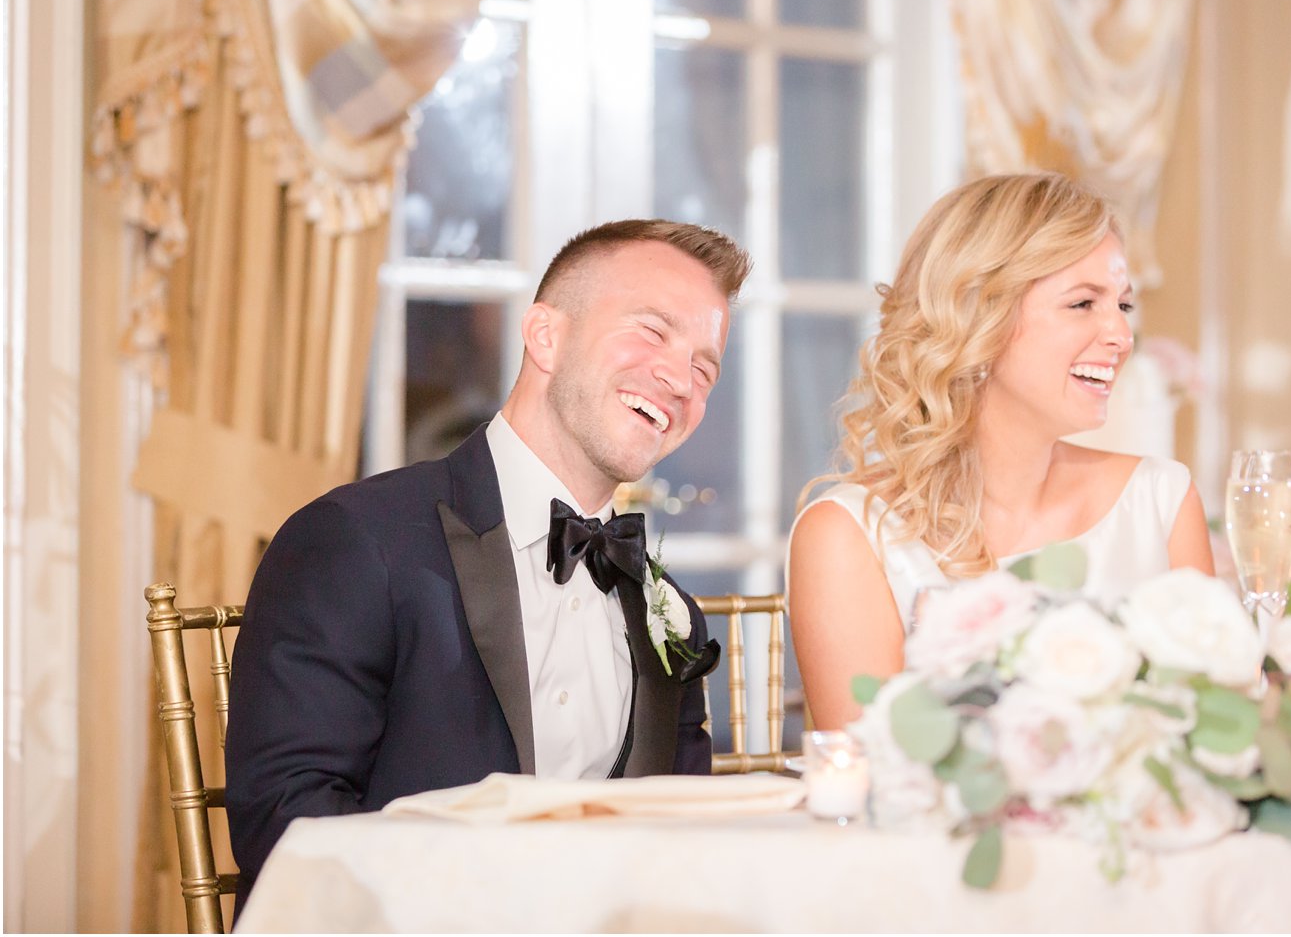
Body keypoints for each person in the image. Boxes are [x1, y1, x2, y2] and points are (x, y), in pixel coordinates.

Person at [226, 219, 751, 905]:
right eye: (652, 332)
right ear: (546, 337)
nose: (680, 379)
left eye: (704, 367)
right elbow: (287, 831)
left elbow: (681, 855)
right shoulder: (356, 542)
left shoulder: (672, 615)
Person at [788, 173, 1213, 729]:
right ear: (976, 319)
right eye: (1083, 303)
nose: (1120, 335)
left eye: (1123, 306)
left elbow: (1215, 738)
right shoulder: (848, 534)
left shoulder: (1161, 502)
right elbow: (869, 777)